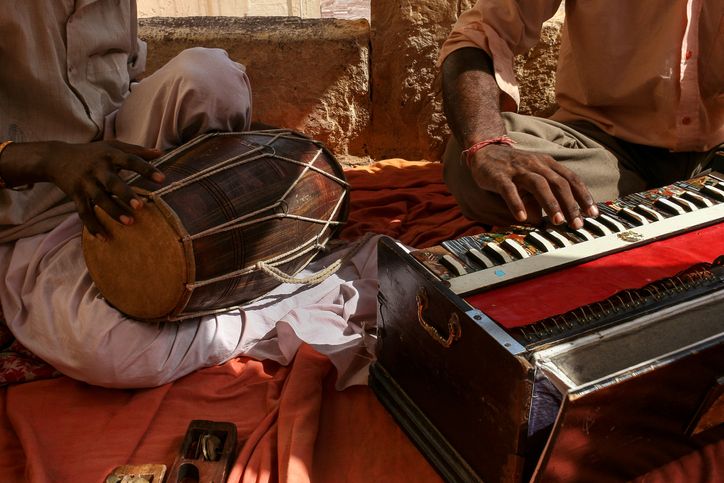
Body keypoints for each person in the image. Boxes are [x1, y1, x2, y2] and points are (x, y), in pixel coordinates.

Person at [0, 1, 378, 388]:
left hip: (115, 156)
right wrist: (50, 158)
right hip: (28, 215)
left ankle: (220, 249)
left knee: (211, 77)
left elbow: (124, 78)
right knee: (117, 354)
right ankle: (299, 293)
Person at [440, 0, 723, 228]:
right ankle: (677, 205)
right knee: (470, 161)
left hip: (716, 155)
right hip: (602, 151)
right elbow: (480, 34)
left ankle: (626, 211)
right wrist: (487, 144)